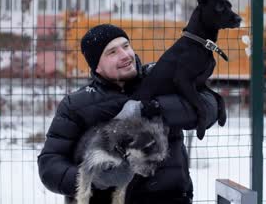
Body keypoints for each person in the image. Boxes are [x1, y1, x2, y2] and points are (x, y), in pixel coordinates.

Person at [38, 24, 221, 204]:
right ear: (96, 66)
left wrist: (152, 108)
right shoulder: (76, 105)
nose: (125, 55)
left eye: (126, 46)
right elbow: (50, 165)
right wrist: (93, 178)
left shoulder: (163, 79)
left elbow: (209, 105)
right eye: (112, 52)